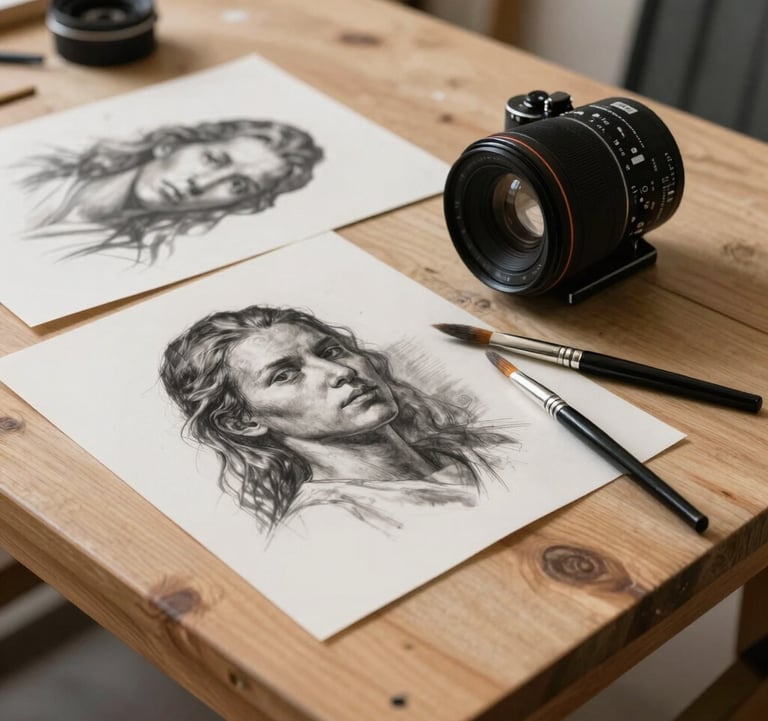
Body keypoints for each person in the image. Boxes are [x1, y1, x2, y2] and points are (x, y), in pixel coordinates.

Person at [159, 305, 515, 536]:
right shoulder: (331, 523)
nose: (341, 371)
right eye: (284, 375)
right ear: (242, 422)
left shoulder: (476, 452)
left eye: (330, 351)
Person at [16, 119, 323, 263]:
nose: (200, 184)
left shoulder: (130, 259)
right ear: (171, 143)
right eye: (213, 159)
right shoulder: (32, 175)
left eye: (237, 185)